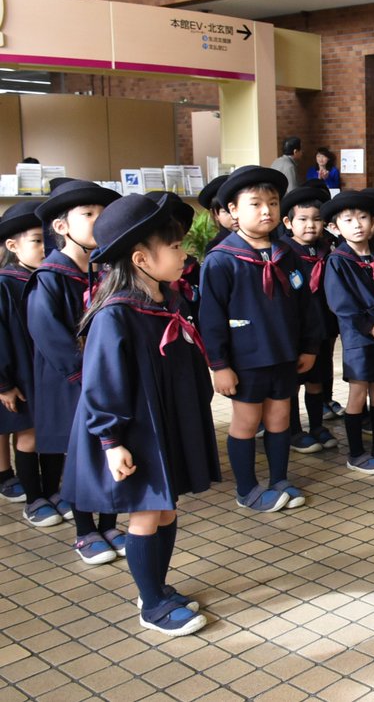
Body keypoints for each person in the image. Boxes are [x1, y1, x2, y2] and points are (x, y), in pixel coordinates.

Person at [60, 193, 221, 636]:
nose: (184, 254)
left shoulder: (168, 301)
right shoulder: (116, 314)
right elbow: (102, 384)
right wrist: (111, 442)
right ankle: (151, 604)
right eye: (175, 246)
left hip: (165, 423)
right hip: (133, 432)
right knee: (147, 514)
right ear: (141, 259)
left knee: (166, 510)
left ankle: (159, 586)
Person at [198, 167, 322, 513]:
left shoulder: (286, 254)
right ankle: (246, 489)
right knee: (246, 422)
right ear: (233, 210)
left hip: (284, 354)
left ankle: (279, 479)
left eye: (273, 202)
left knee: (280, 419)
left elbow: (306, 304)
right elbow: (211, 318)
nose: (266, 210)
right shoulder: (222, 260)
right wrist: (219, 365)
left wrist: (309, 346)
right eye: (255, 203)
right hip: (246, 360)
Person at [27, 180, 126, 564]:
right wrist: (85, 375)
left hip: (106, 378)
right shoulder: (50, 277)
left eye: (102, 214)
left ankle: (110, 522)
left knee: (111, 448)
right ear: (61, 226)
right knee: (81, 456)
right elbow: (48, 333)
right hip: (73, 382)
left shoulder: (107, 271)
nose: (98, 221)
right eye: (87, 214)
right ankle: (85, 531)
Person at [322, 190, 374, 475]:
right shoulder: (338, 260)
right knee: (358, 392)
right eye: (348, 220)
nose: (357, 224)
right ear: (335, 227)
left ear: (373, 222)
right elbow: (341, 304)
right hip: (359, 337)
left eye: (363, 217)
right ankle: (356, 454)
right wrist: (372, 328)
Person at [279, 185, 338, 453]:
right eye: (302, 219)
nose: (310, 225)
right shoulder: (283, 253)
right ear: (288, 222)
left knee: (317, 380)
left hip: (322, 326)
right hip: (295, 330)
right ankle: (294, 430)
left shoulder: (328, 250)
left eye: (316, 219)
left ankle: (317, 426)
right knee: (293, 381)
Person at [0, 202, 44, 511]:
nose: (44, 248)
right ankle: (34, 499)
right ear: (13, 246)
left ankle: (44, 491)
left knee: (39, 434)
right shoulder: (5, 283)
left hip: (38, 372)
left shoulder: (44, 277)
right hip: (16, 375)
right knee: (27, 433)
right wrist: (3, 384)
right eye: (37, 241)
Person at [197, 175, 236, 255]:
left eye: (237, 209)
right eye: (226, 211)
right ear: (215, 214)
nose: (234, 216)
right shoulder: (215, 247)